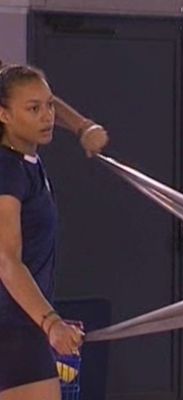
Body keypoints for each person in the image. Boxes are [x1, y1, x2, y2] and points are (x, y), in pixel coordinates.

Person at [0, 63, 108, 399]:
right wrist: (50, 322)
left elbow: (30, 94)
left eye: (49, 106)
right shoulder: (8, 173)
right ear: (3, 115)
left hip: (22, 324)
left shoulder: (25, 159)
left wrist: (82, 126)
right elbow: (6, 260)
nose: (48, 116)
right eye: (35, 110)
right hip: (11, 327)